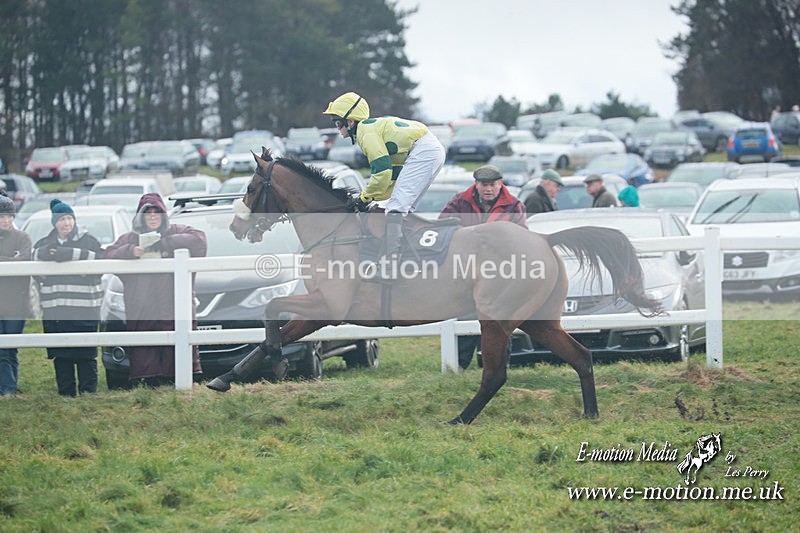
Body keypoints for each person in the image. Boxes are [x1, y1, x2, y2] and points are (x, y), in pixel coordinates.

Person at [323, 91, 446, 277]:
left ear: (350, 122)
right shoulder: (371, 129)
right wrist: (371, 198)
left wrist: (363, 198)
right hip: (429, 149)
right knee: (401, 207)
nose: (338, 129)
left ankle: (391, 264)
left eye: (338, 123)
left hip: (424, 150)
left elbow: (381, 172)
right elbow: (391, 177)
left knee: (396, 208)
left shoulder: (366, 133)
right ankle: (403, 251)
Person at [105, 193, 207, 387]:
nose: (152, 217)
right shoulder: (129, 239)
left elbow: (200, 241)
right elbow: (108, 255)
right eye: (148, 213)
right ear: (140, 217)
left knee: (177, 352)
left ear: (164, 215)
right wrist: (129, 251)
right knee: (147, 353)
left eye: (157, 212)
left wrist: (166, 243)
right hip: (143, 311)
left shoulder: (178, 230)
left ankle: (180, 386)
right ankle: (150, 386)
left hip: (175, 307)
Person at [439, 165, 527, 369]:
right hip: (467, 271)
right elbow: (443, 225)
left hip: (501, 273)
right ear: (476, 185)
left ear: (500, 184)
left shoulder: (514, 205)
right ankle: (458, 367)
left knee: (501, 321)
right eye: (484, 185)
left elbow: (523, 237)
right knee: (465, 316)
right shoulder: (459, 201)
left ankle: (499, 366)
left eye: (492, 185)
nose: (488, 189)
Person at [32, 199, 106, 396]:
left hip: (85, 308)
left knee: (86, 354)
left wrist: (66, 254)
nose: (66, 223)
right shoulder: (44, 244)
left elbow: (101, 261)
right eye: (62, 219)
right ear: (54, 223)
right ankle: (66, 395)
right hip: (56, 309)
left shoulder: (89, 240)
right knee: (62, 355)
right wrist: (54, 255)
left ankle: (88, 394)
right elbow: (35, 261)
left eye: (69, 218)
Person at [0, 190, 32, 396]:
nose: (5, 220)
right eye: (1, 216)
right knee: (2, 349)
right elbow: (17, 260)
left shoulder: (23, 237)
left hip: (16, 302)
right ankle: (8, 388)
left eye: (8, 216)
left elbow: (26, 260)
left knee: (11, 347)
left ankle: (9, 387)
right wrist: (11, 258)